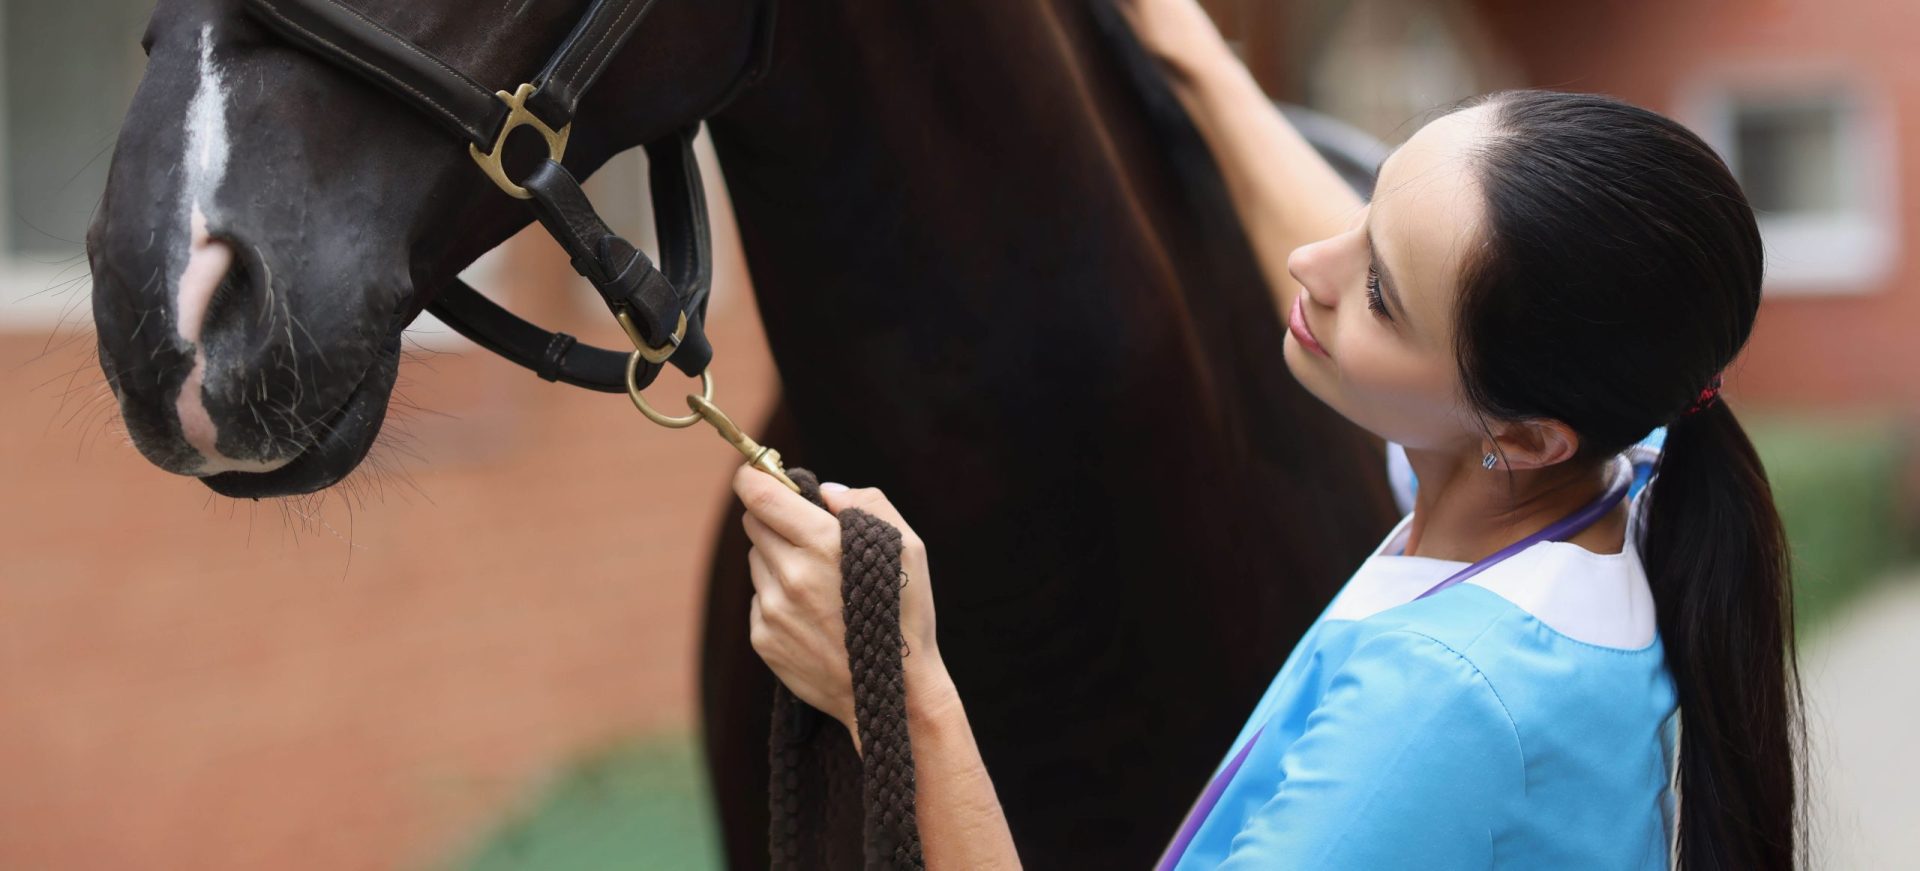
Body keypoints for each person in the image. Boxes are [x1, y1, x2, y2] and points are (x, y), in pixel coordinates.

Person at [730, 0, 1805, 867]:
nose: (1310, 266)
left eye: (1376, 292)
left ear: (1525, 437)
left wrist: (900, 687)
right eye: (1367, 206)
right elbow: (1355, 246)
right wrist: (1183, 43)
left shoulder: (1444, 706)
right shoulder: (1613, 468)